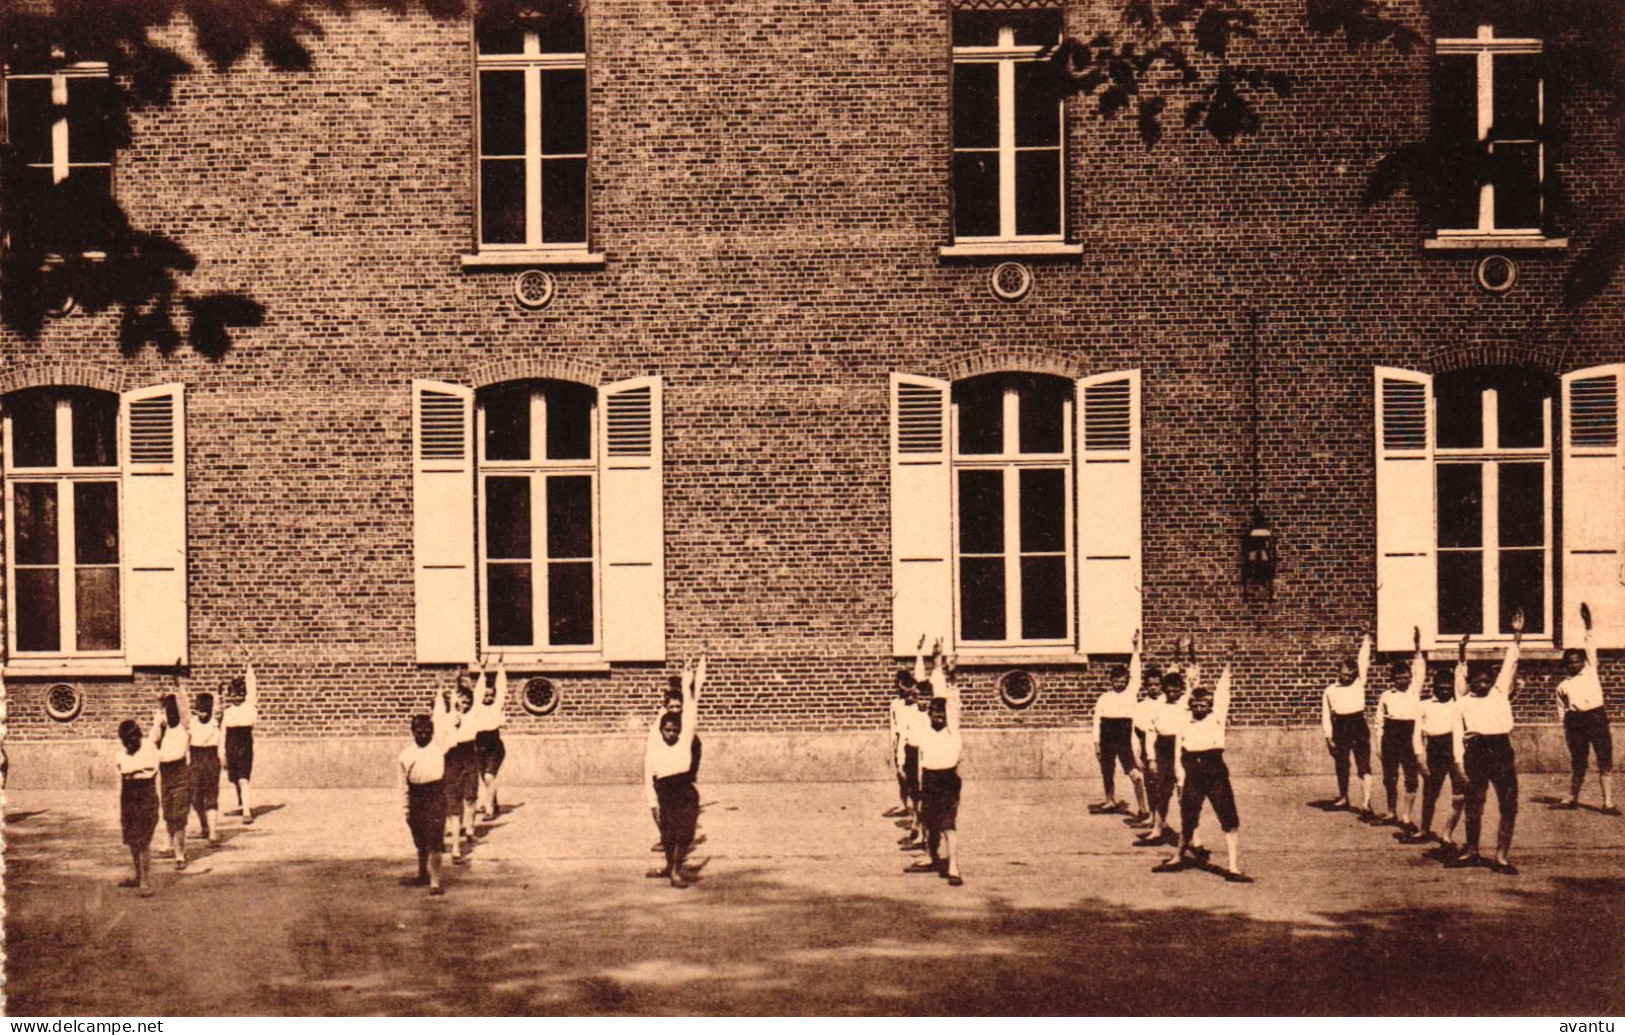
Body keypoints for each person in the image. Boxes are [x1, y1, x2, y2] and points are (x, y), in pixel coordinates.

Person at [1154, 661, 1251, 882]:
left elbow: (1223, 690)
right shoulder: (1184, 722)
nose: (1200, 708)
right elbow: (1179, 753)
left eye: (1204, 705)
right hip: (1192, 774)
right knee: (1188, 818)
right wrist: (1180, 779)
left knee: (1228, 818)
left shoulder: (1217, 717)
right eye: (1196, 705)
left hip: (1215, 773)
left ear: (1209, 705)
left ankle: (1233, 867)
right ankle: (1178, 857)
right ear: (1191, 705)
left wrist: (1228, 662)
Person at [1448, 613, 1524, 874]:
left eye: (1486, 681)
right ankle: (1472, 850)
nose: (1483, 685)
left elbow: (1510, 664)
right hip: (1475, 753)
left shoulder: (1500, 692)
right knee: (1474, 804)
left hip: (1501, 751)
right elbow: (1458, 736)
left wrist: (1516, 635)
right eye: (1477, 681)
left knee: (1508, 804)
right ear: (1469, 683)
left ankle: (1501, 856)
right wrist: (1459, 764)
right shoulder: (1463, 702)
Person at [645, 655, 704, 888]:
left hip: (684, 789)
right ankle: (671, 866)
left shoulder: (684, 738)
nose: (671, 734)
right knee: (668, 832)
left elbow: (690, 707)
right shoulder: (655, 744)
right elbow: (648, 772)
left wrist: (686, 678)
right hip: (665, 789)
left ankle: (677, 869)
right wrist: (651, 801)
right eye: (667, 730)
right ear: (661, 730)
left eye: (674, 730)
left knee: (685, 832)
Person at [1401, 651, 1468, 849]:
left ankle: (1447, 833)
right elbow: (1416, 733)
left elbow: (1461, 677)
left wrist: (1462, 654)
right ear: (1434, 687)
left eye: (1448, 688)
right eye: (1441, 688)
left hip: (1455, 748)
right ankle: (1424, 829)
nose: (1445, 691)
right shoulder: (1424, 705)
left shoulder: (1459, 705)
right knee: (1430, 792)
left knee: (1459, 793)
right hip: (1435, 750)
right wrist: (1420, 755)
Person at [1556, 602, 1616, 814]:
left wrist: (1588, 624)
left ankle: (1608, 802)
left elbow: (1590, 644)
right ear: (1565, 665)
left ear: (1582, 661)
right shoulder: (1563, 686)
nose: (1574, 665)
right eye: (1569, 663)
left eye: (1576, 661)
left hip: (1596, 717)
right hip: (1575, 722)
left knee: (1604, 759)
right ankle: (1572, 797)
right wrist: (1567, 726)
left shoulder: (1590, 671)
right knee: (1579, 761)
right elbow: (1562, 710)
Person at [909, 656, 964, 886]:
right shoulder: (924, 728)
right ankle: (932, 857)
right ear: (929, 714)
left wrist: (949, 675)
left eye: (942, 715)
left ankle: (954, 867)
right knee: (929, 821)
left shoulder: (952, 730)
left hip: (948, 779)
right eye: (935, 714)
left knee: (947, 824)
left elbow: (952, 702)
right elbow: (924, 689)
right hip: (929, 778)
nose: (938, 718)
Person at [1137, 638, 1195, 849]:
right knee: (1162, 791)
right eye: (1168, 690)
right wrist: (1151, 759)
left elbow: (1192, 678)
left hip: (1181, 749)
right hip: (1162, 749)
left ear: (1180, 690)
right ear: (1163, 689)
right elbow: (1151, 733)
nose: (1172, 694)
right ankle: (1158, 829)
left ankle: (1193, 837)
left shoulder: (1185, 702)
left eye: (1175, 690)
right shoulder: (1158, 706)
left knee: (1185, 791)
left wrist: (1188, 653)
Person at [399, 693, 454, 896]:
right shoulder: (405, 755)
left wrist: (444, 697)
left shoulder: (439, 747)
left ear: (433, 732)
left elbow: (444, 720)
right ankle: (422, 873)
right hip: (416, 797)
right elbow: (403, 784)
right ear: (413, 732)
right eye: (419, 732)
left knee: (434, 839)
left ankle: (435, 882)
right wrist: (406, 807)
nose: (424, 735)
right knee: (420, 838)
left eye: (427, 732)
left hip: (435, 796)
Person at [1090, 630, 1149, 821]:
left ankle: (1143, 809)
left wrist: (1134, 648)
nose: (1119, 685)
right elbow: (1097, 721)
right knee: (1107, 770)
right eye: (1116, 682)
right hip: (1107, 735)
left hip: (1124, 736)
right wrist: (1097, 743)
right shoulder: (1104, 698)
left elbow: (1137, 675)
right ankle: (1110, 800)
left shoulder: (1131, 693)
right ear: (1111, 681)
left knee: (1135, 774)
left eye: (1123, 682)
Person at [1372, 627, 1425, 830]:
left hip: (1409, 735)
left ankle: (1406, 816)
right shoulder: (1386, 696)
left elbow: (1420, 668)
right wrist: (1379, 744)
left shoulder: (1414, 691)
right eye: (1399, 677)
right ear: (1393, 679)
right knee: (1390, 777)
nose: (1404, 680)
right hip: (1391, 736)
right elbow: (1379, 722)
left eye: (1406, 677)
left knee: (1411, 777)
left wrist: (1417, 648)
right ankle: (1391, 811)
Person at [1321, 633, 1374, 813]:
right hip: (1340, 727)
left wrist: (1367, 638)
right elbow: (1326, 716)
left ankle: (1366, 803)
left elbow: (1364, 659)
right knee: (1342, 763)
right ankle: (1344, 797)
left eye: (1351, 676)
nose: (1347, 678)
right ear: (1338, 673)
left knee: (1363, 764)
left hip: (1358, 724)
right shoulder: (1330, 690)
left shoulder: (1359, 683)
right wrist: (1329, 738)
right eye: (1344, 675)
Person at [117, 711, 163, 896]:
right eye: (125, 742)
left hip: (145, 795)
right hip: (128, 796)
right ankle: (137, 875)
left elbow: (149, 771)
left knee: (143, 839)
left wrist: (132, 771)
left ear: (138, 736)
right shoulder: (121, 753)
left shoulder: (149, 748)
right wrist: (135, 770)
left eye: (132, 740)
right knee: (131, 839)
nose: (129, 745)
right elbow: (123, 771)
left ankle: (145, 881)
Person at [442, 668, 480, 862]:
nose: (464, 704)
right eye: (461, 701)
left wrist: (466, 682)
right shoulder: (450, 717)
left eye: (467, 702)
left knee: (471, 795)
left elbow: (478, 693)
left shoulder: (473, 716)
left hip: (469, 756)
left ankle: (470, 828)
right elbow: (453, 703)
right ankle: (456, 845)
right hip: (452, 758)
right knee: (453, 801)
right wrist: (456, 683)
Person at [155, 689, 193, 869]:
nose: (170, 715)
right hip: (165, 772)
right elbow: (152, 740)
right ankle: (169, 844)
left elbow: (184, 704)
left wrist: (178, 684)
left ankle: (180, 853)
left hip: (180, 771)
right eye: (167, 711)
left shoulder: (184, 726)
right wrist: (159, 717)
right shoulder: (162, 726)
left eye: (172, 710)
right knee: (168, 812)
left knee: (179, 815)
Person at [472, 658, 511, 822]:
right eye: (486, 695)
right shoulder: (477, 707)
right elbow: (478, 689)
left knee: (489, 777)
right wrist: (482, 671)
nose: (488, 698)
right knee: (485, 778)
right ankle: (492, 803)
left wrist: (500, 667)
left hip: (494, 746)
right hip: (479, 745)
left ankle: (490, 810)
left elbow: (501, 688)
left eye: (491, 695)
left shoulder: (497, 707)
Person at [221, 662, 259, 824]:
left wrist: (249, 666)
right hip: (230, 745)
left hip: (244, 744)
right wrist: (221, 753)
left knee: (244, 779)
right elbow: (223, 734)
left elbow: (252, 686)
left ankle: (246, 811)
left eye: (240, 694)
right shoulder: (227, 712)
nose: (237, 697)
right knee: (234, 778)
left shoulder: (250, 706)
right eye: (234, 694)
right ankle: (241, 803)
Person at [1129, 662, 1164, 830]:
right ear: (1145, 686)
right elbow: (1135, 733)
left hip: (1164, 745)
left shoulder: (1166, 703)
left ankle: (1161, 818)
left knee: (1163, 784)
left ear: (1161, 685)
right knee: (1150, 783)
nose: (1153, 688)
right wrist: (1137, 755)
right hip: (1146, 744)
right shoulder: (1140, 706)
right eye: (1150, 685)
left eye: (1157, 684)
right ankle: (1152, 815)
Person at [189, 689, 224, 847]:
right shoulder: (191, 722)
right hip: (195, 759)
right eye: (200, 711)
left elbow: (219, 708)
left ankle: (213, 834)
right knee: (195, 797)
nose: (202, 715)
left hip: (210, 759)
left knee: (211, 797)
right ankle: (204, 826)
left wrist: (218, 695)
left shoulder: (215, 721)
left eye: (205, 711)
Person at [885, 665, 917, 819]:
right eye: (898, 687)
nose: (901, 690)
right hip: (900, 741)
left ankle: (915, 804)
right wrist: (893, 744)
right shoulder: (895, 704)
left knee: (911, 774)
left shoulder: (915, 704)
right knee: (900, 773)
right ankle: (904, 803)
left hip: (912, 740)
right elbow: (893, 725)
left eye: (903, 686)